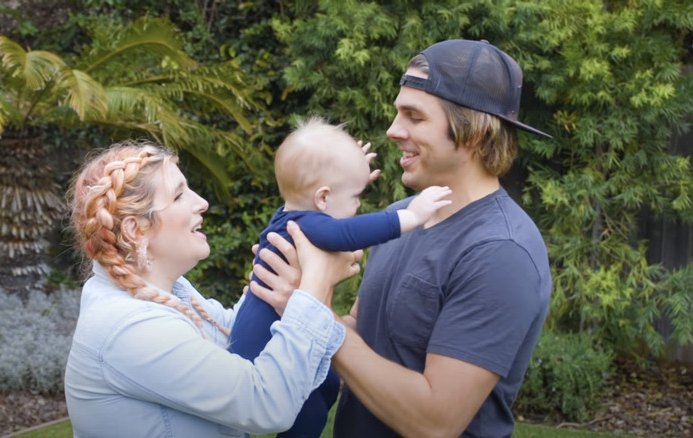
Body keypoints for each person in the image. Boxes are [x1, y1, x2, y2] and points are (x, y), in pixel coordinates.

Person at [262, 40, 553, 437]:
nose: (393, 130)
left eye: (414, 117)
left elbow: (434, 422)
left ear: (473, 133)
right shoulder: (404, 218)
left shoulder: (500, 251)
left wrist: (310, 313)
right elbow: (362, 348)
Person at [63, 140, 363, 438]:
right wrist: (315, 280)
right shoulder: (130, 328)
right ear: (134, 230)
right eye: (179, 195)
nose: (201, 202)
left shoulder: (164, 292)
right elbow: (266, 404)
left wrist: (319, 201)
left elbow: (232, 334)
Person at [227, 117, 452, 438]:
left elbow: (332, 205)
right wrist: (412, 215)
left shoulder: (290, 214)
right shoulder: (312, 225)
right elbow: (347, 232)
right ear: (322, 198)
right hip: (260, 347)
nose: (358, 205)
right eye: (356, 197)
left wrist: (348, 176)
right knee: (272, 407)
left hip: (257, 335)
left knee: (324, 384)